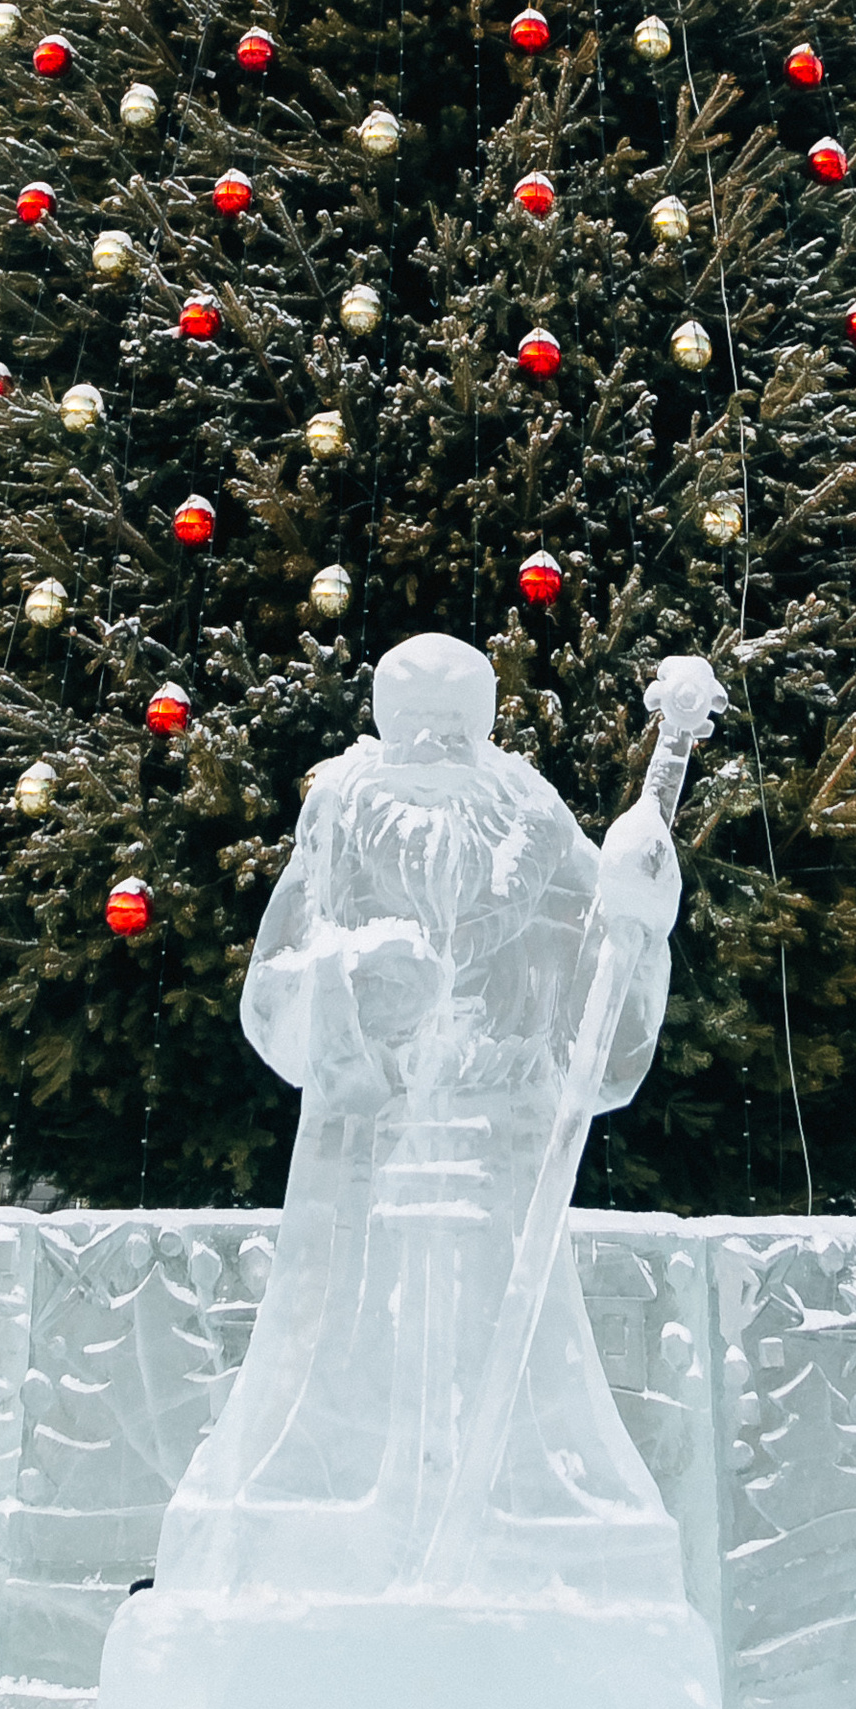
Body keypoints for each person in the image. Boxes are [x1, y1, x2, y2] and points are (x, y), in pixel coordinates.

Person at [155, 632, 715, 1608]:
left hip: (499, 1152)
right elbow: (278, 986)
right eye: (414, 728)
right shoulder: (339, 812)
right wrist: (357, 982)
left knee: (516, 1358)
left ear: (487, 722)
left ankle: (513, 1543)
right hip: (362, 1157)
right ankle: (321, 1542)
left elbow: (600, 975)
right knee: (331, 1353)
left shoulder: (532, 816)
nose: (432, 752)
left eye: (450, 729)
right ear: (379, 721)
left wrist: (639, 905)